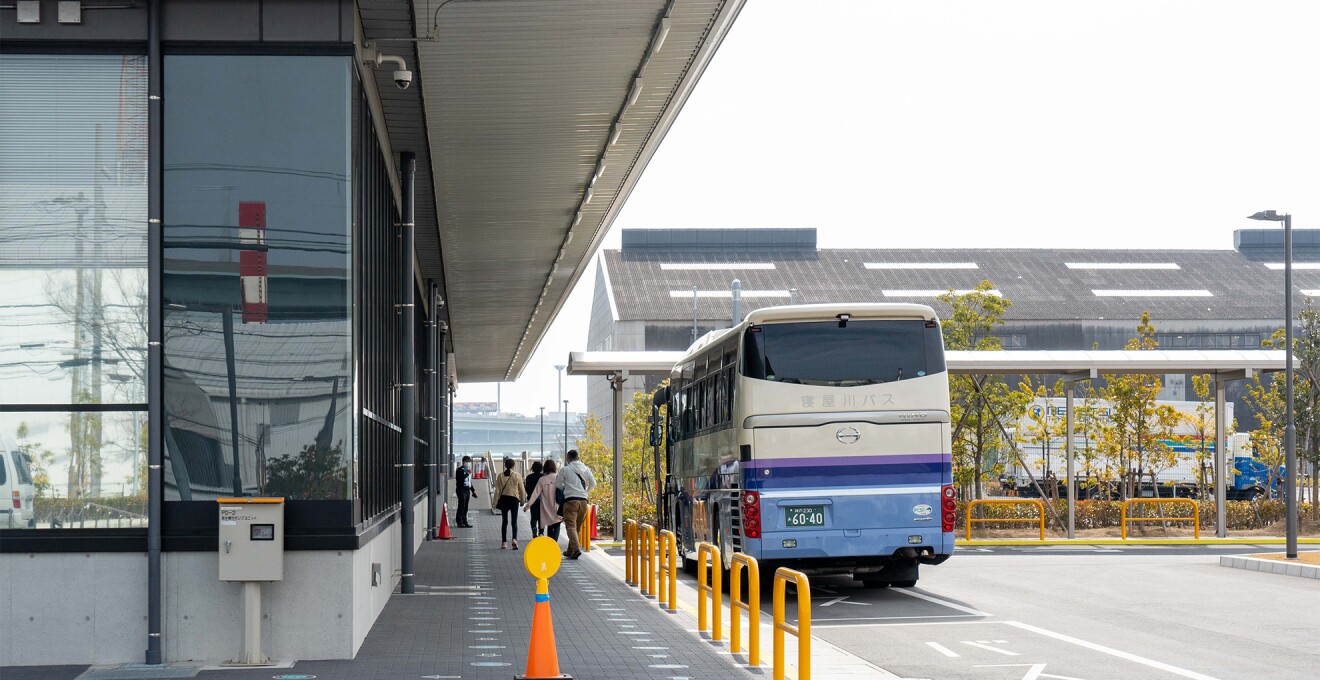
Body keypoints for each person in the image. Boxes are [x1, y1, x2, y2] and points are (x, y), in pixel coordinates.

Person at [555, 449, 596, 559]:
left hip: (571, 501)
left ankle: (576, 549)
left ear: (568, 458)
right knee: (576, 527)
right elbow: (593, 483)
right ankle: (570, 550)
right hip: (583, 501)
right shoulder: (586, 468)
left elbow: (557, 484)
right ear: (578, 457)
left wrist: (566, 488)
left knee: (570, 527)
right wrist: (585, 493)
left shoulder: (565, 469)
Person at [524, 459, 562, 542]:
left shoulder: (542, 480)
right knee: (557, 525)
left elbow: (535, 494)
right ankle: (554, 543)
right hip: (557, 507)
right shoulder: (558, 478)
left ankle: (549, 543)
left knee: (549, 525)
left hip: (546, 508)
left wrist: (527, 505)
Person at [493, 457, 526, 550]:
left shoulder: (500, 476)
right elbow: (522, 489)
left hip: (504, 499)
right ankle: (514, 539)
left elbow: (498, 491)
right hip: (514, 499)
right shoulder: (517, 475)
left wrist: (494, 503)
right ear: (514, 466)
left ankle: (504, 542)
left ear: (505, 466)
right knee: (514, 521)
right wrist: (523, 499)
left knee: (504, 521)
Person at [524, 461, 544, 537]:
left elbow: (527, 489)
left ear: (533, 468)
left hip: (532, 500)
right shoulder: (543, 477)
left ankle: (534, 528)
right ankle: (541, 532)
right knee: (541, 517)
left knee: (533, 516)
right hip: (542, 500)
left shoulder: (529, 477)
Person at [454, 456, 474, 528]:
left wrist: (473, 490)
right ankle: (459, 521)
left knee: (466, 506)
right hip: (461, 489)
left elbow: (469, 482)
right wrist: (467, 473)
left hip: (467, 490)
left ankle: (465, 521)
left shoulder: (469, 470)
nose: (469, 463)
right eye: (467, 461)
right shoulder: (459, 470)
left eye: (469, 462)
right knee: (461, 505)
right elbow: (460, 479)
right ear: (464, 462)